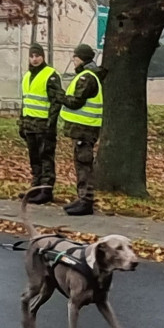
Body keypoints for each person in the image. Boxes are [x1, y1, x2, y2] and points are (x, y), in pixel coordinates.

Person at [59, 43, 105, 216]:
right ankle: (82, 198)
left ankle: (86, 201)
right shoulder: (89, 75)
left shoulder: (87, 77)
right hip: (83, 129)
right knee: (81, 164)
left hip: (85, 129)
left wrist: (59, 96)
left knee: (84, 165)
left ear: (82, 59)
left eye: (75, 57)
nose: (73, 60)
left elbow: (76, 101)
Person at [17, 43, 64, 204]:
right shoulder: (27, 76)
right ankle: (35, 188)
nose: (34, 59)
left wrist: (51, 125)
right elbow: (25, 102)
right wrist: (21, 124)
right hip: (30, 125)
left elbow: (56, 102)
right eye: (32, 56)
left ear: (43, 56)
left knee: (46, 158)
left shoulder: (50, 75)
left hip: (44, 126)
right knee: (34, 158)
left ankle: (46, 190)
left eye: (37, 56)